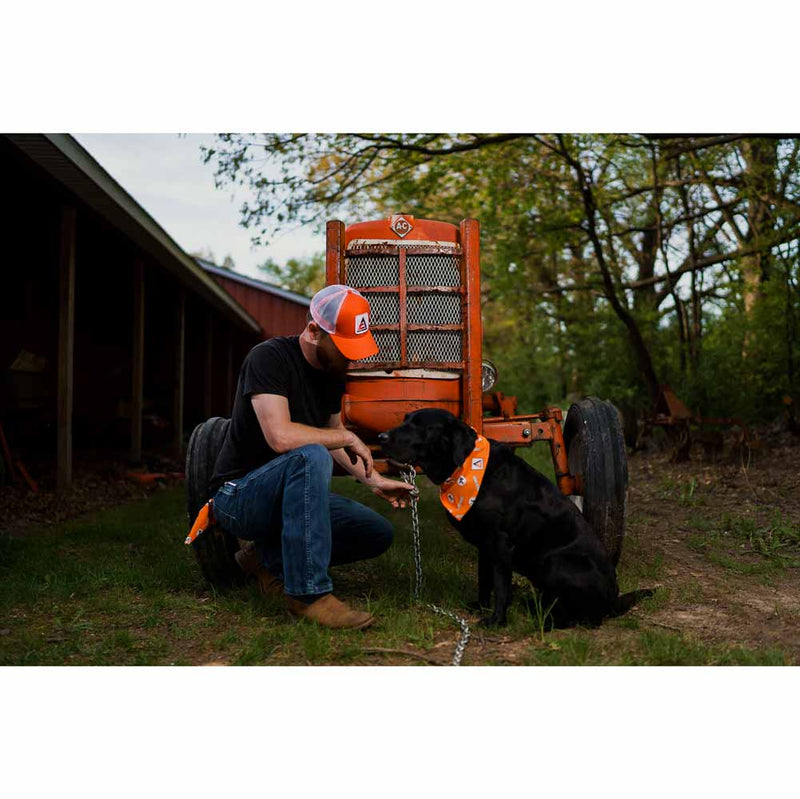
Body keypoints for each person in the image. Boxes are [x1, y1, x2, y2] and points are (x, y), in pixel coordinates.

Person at [209, 284, 414, 629]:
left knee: (375, 532)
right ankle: (308, 594)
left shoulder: (332, 373)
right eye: (345, 347)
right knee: (310, 455)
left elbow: (335, 439)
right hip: (239, 495)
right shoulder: (268, 358)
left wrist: (374, 478)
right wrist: (345, 435)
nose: (352, 357)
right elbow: (281, 436)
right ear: (315, 331)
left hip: (289, 492)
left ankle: (263, 558)